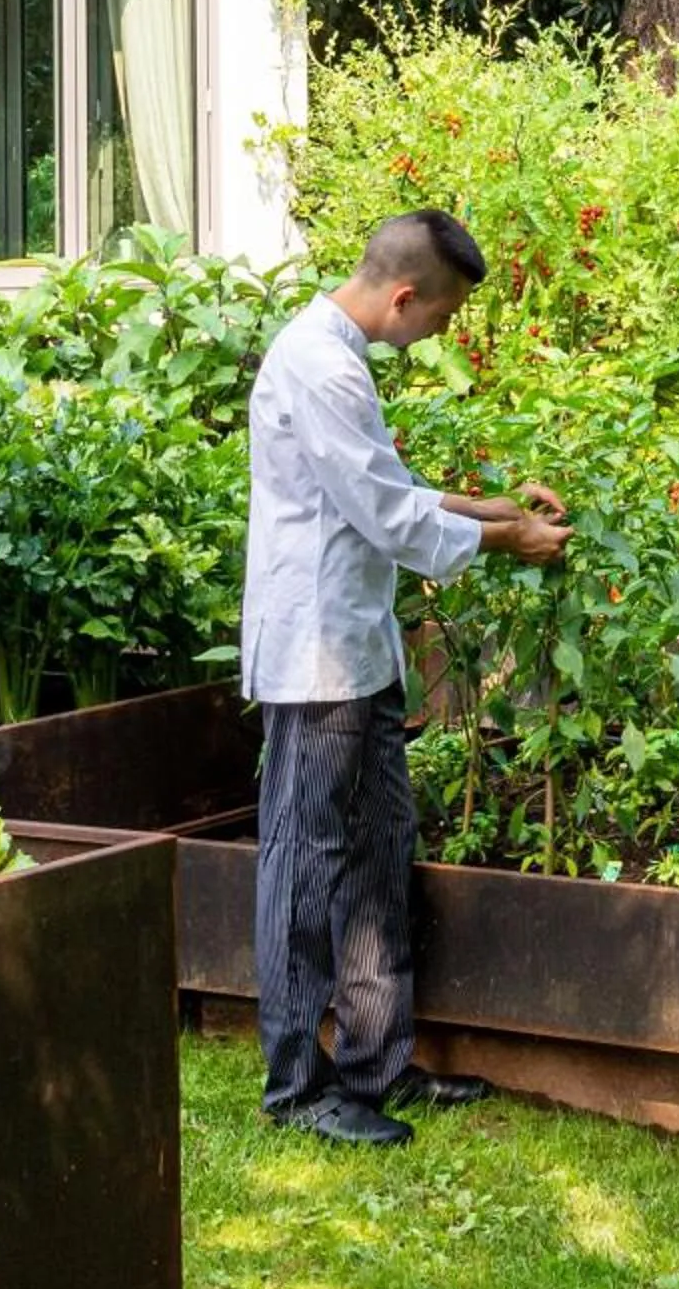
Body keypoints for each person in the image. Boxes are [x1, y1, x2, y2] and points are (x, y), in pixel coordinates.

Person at [245, 210, 572, 1149]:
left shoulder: (338, 357)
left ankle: (377, 1064)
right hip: (316, 663)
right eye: (443, 317)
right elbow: (391, 519)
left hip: (359, 652)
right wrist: (511, 540)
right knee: (306, 867)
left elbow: (388, 489)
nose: (442, 335)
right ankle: (299, 1089)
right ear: (402, 297)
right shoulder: (318, 363)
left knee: (381, 850)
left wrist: (500, 506)